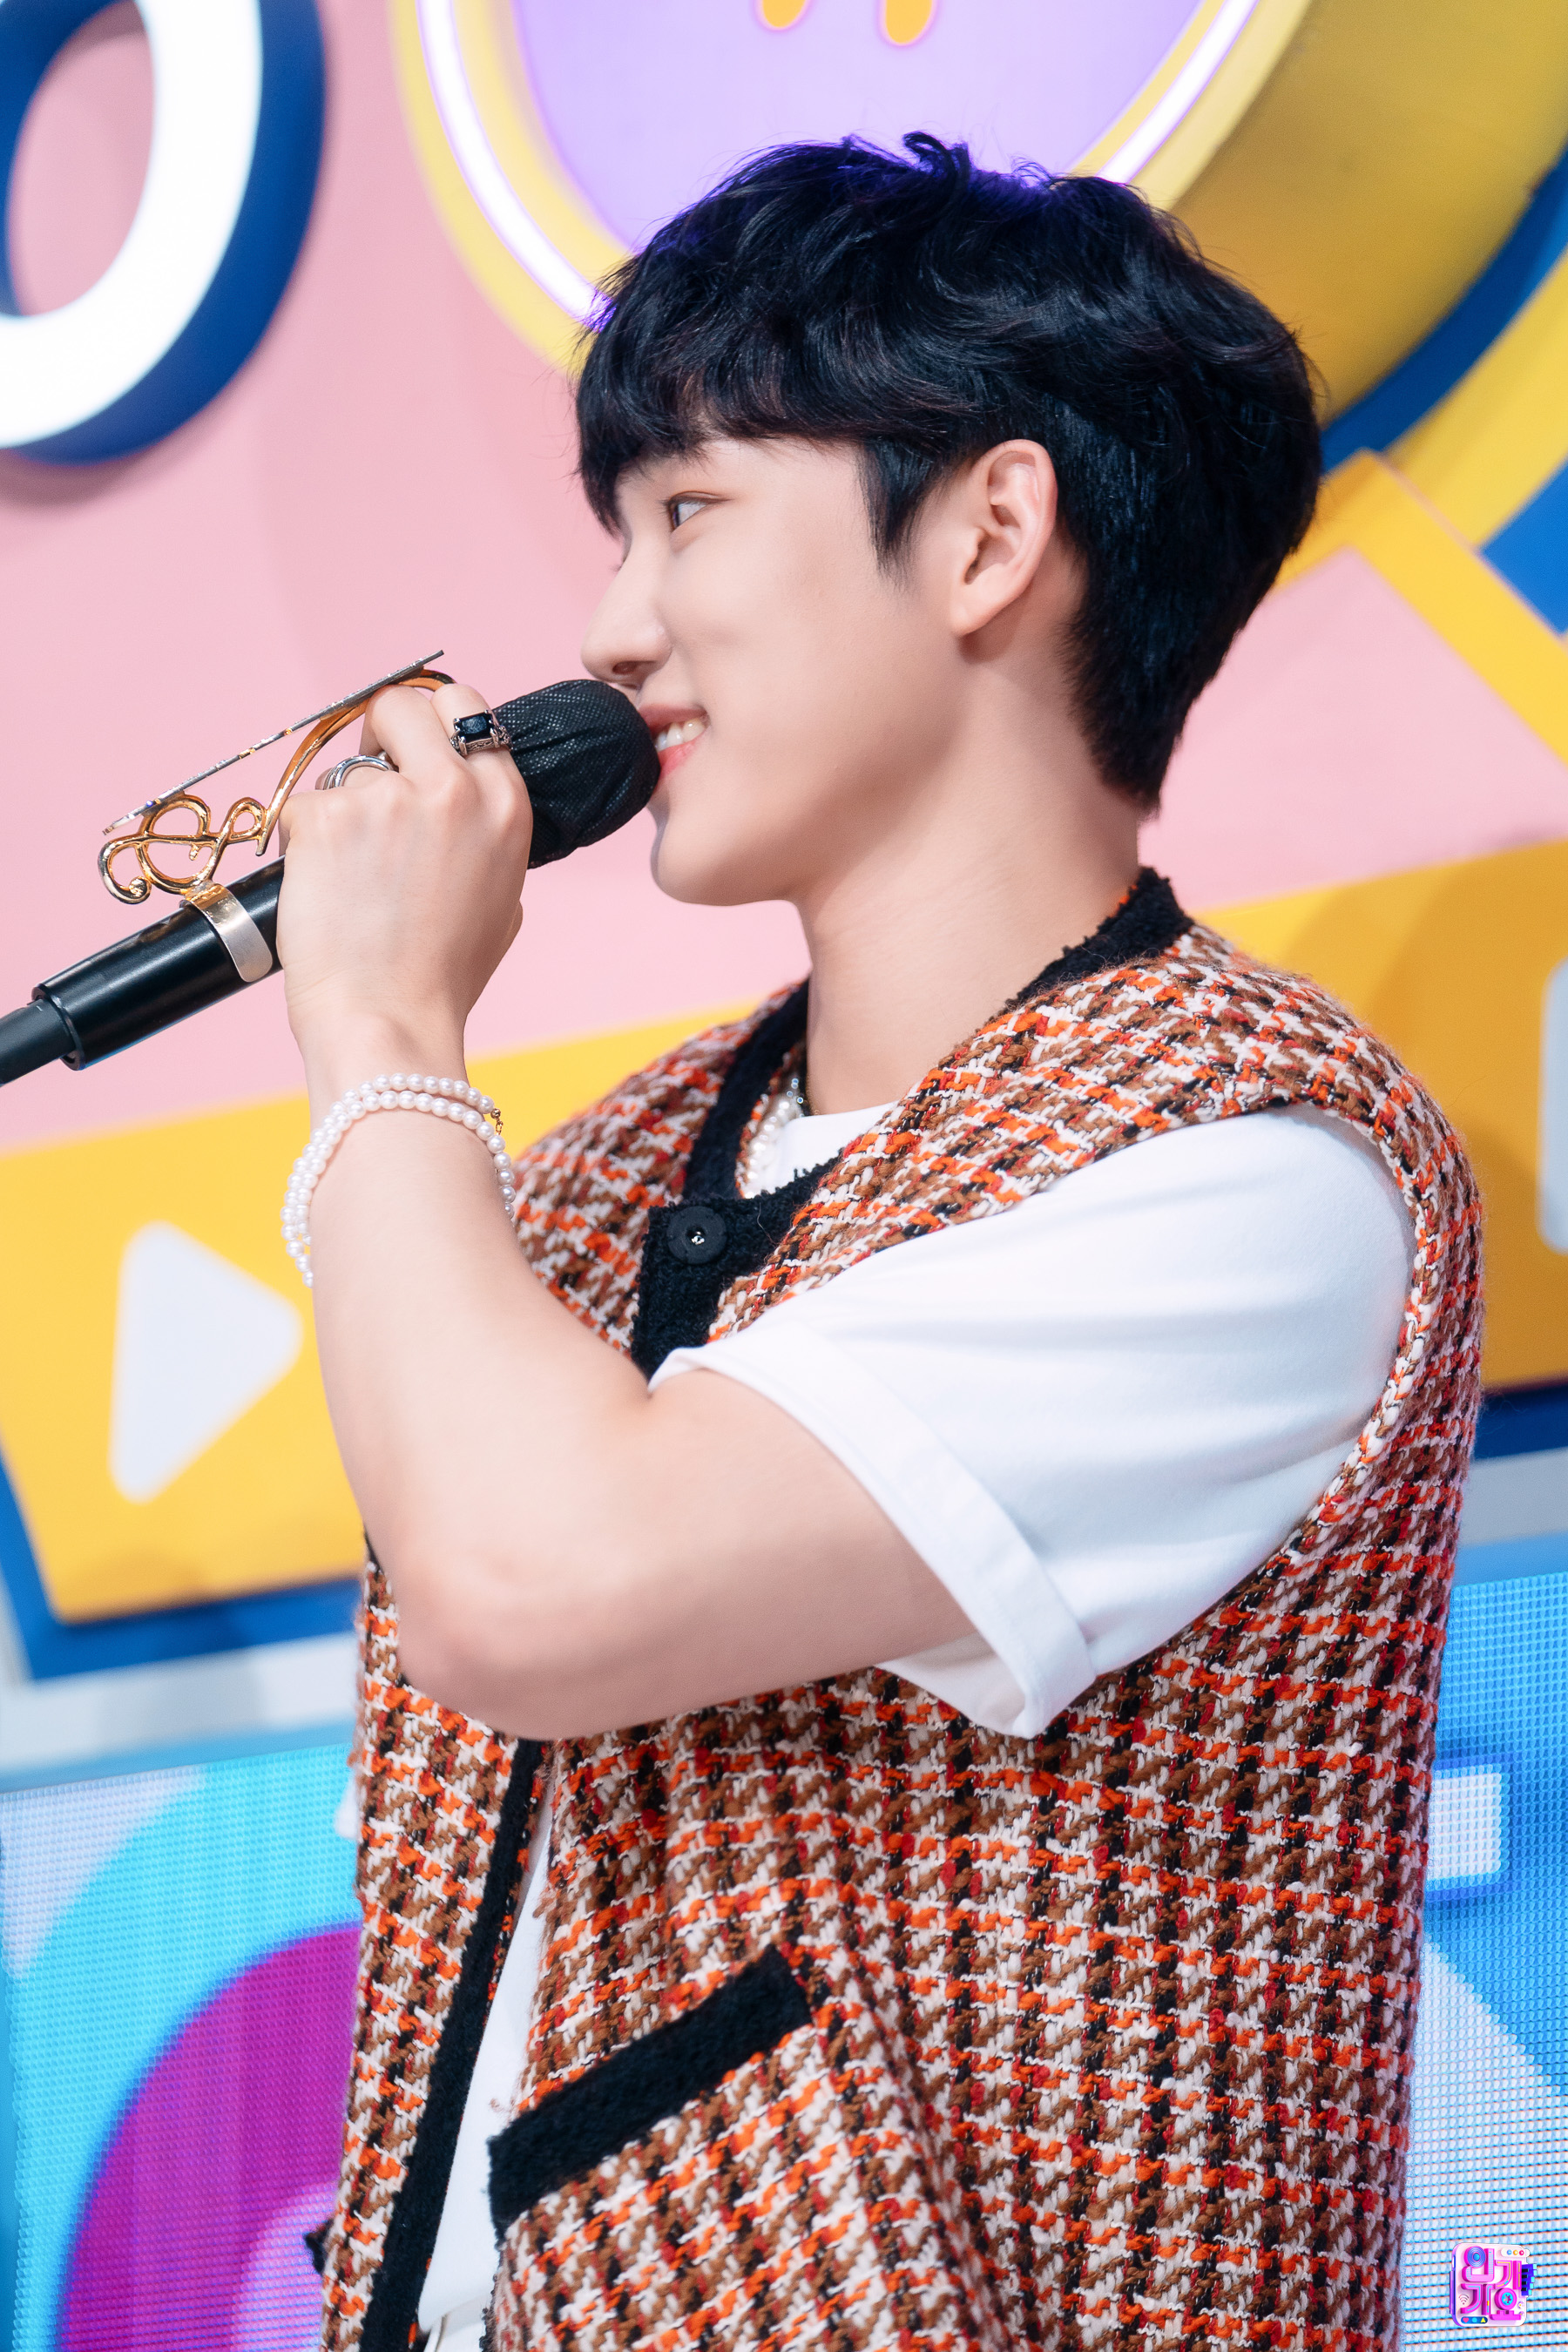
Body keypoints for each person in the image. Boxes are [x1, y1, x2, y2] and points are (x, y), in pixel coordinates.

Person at [294, 138, 1480, 2352]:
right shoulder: (575, 1185)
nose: (611, 628)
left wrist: (378, 1029)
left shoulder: (1255, 1163)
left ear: (988, 537)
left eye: (689, 510)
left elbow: (538, 1581)